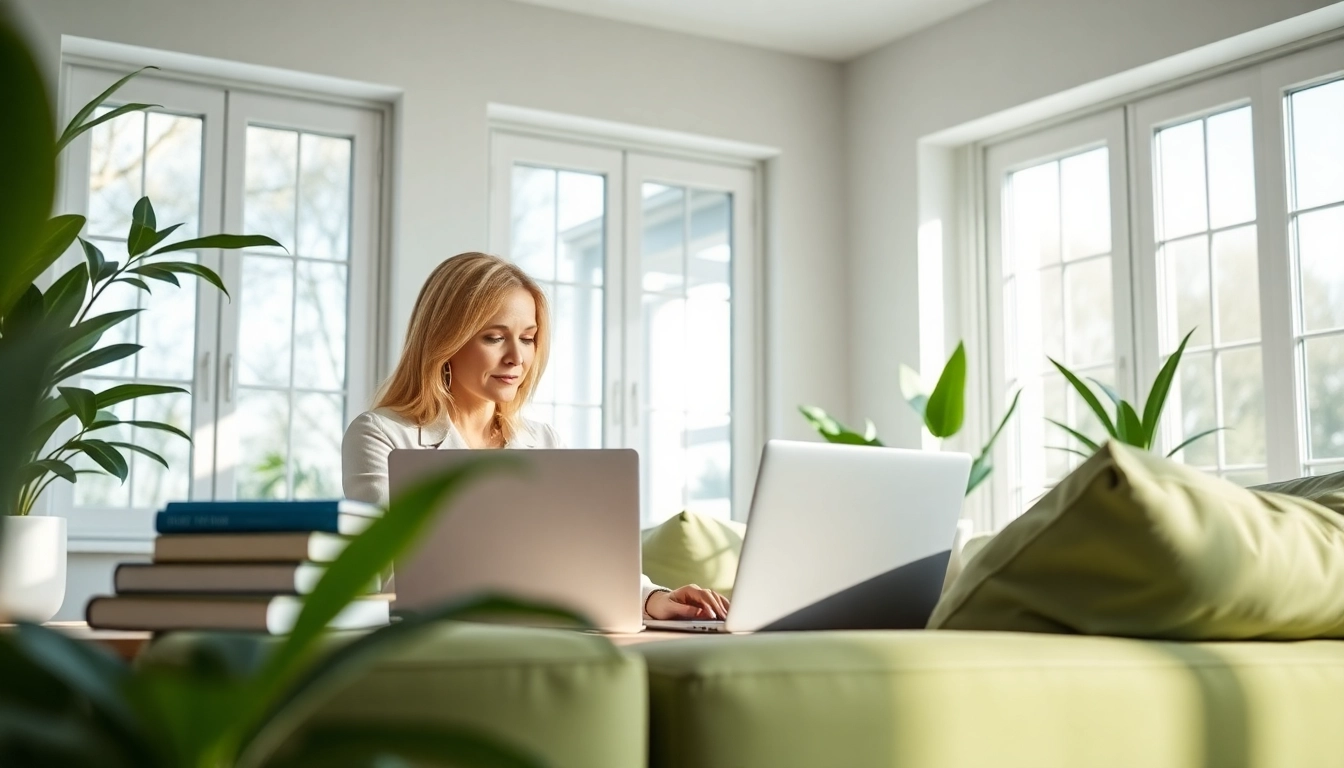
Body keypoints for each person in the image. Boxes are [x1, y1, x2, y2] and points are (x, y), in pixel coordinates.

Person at [342, 251, 729, 622]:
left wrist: (654, 599)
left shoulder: (542, 440)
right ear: (446, 340)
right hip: (431, 638)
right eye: (494, 337)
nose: (517, 357)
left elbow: (581, 556)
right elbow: (384, 576)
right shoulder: (382, 435)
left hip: (536, 633)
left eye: (527, 338)